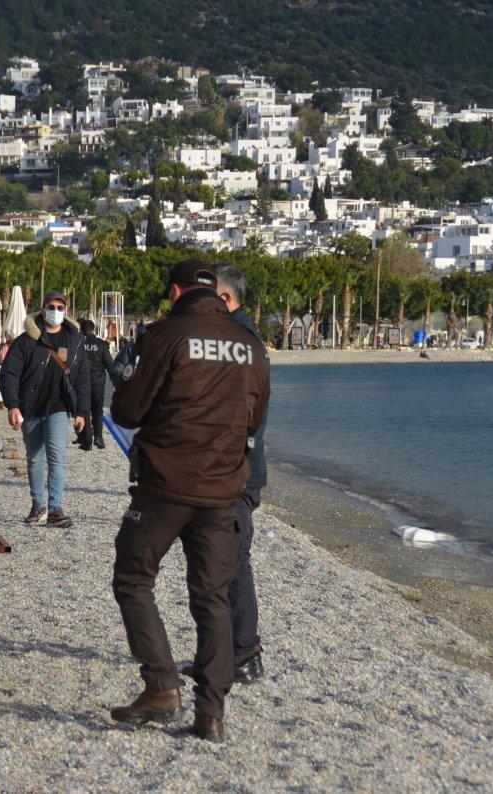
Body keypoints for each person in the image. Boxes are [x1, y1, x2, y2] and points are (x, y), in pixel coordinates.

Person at [108, 259, 269, 743]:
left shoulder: (164, 335)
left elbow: (128, 409)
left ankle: (161, 686)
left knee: (134, 578)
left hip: (165, 485)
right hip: (223, 490)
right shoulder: (250, 345)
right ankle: (211, 713)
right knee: (212, 597)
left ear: (175, 291)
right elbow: (254, 419)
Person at [214, 264, 268, 683]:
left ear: (226, 299)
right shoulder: (232, 339)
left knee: (234, 561)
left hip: (237, 471)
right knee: (218, 562)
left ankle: (246, 655)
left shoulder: (243, 343)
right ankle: (221, 653)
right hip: (228, 468)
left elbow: (249, 414)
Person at [0, 292, 89, 528]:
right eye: (52, 306)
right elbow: (9, 374)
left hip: (58, 408)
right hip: (30, 408)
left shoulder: (75, 340)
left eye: (61, 307)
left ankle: (56, 508)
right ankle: (38, 506)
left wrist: (82, 412)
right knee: (35, 459)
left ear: (66, 311)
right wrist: (12, 405)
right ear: (42, 309)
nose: (56, 311)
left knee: (57, 456)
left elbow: (82, 379)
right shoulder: (26, 340)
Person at [75, 319, 115, 451]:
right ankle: (98, 437)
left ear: (81, 330)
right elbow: (110, 365)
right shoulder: (102, 345)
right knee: (98, 410)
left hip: (81, 383)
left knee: (84, 409)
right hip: (98, 383)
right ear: (93, 330)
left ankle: (86, 441)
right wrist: (116, 383)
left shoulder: (78, 343)